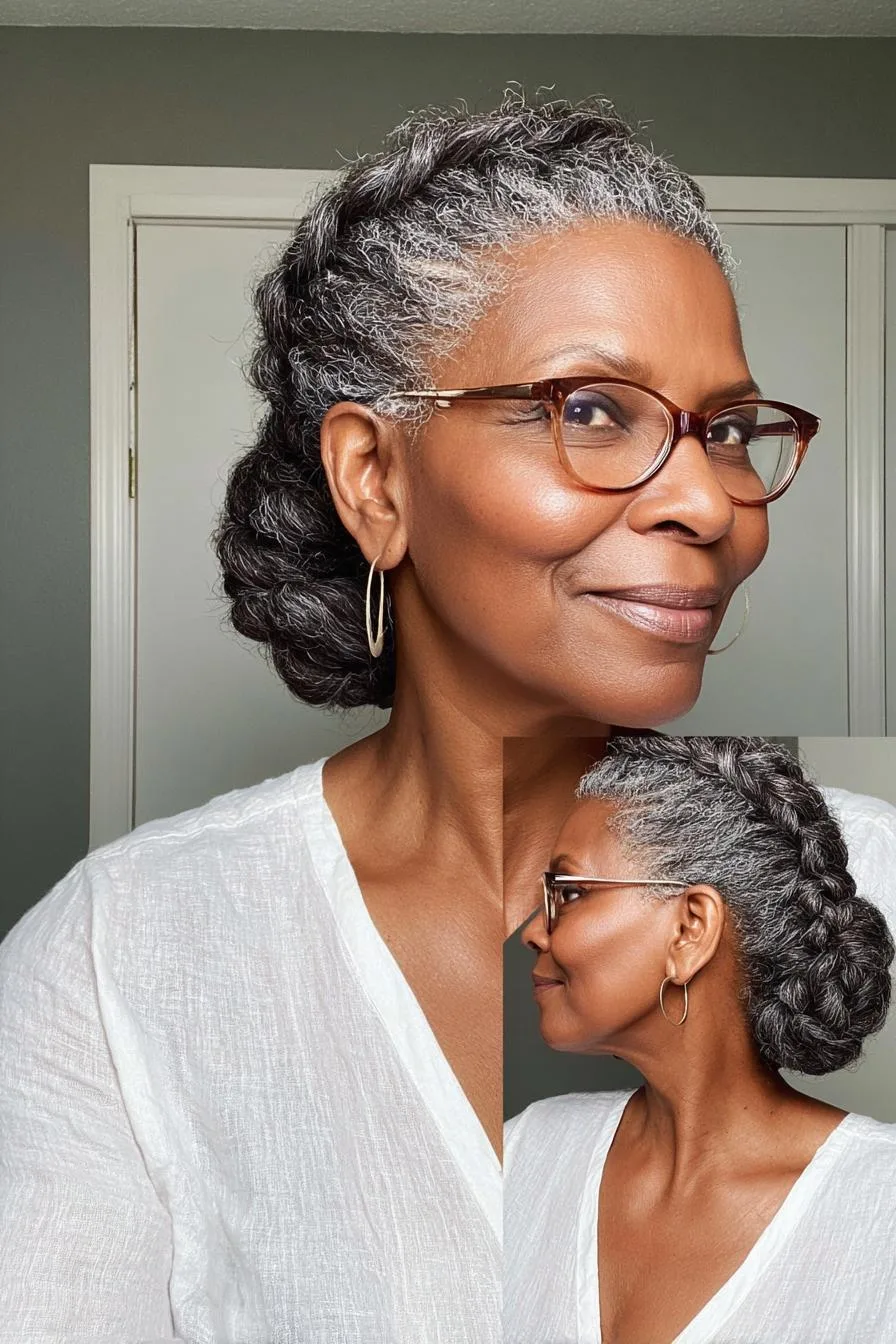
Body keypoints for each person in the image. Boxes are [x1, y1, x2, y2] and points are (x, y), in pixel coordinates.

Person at [0, 89, 816, 1341]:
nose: (708, 503)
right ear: (375, 481)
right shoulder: (123, 959)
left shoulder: (861, 874)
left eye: (721, 430)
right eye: (590, 410)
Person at [504, 736, 896, 1344]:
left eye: (570, 893)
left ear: (690, 929)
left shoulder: (879, 1208)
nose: (533, 932)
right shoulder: (530, 1154)